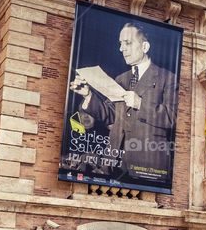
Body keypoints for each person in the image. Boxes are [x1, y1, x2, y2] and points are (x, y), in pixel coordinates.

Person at [69, 22, 177, 184]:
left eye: (128, 43)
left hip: (148, 167)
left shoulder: (167, 78)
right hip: (114, 164)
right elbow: (110, 116)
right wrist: (88, 95)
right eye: (120, 44)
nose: (121, 49)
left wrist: (140, 103)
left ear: (145, 47)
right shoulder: (121, 79)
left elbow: (172, 118)